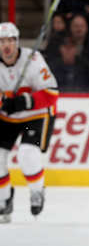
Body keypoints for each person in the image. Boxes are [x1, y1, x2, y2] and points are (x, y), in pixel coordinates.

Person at [0, 23, 58, 223]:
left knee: (27, 154)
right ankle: (4, 200)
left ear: (17, 41)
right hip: (7, 118)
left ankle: (36, 191)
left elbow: (52, 94)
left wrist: (24, 101)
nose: (6, 45)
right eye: (2, 41)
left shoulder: (32, 60)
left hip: (36, 115)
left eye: (10, 40)